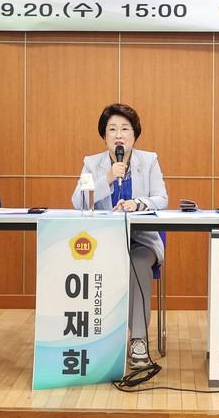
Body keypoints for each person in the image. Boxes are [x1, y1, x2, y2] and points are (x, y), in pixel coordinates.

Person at [71, 103, 168, 369]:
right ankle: (99, 339)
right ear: (104, 136)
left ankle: (138, 340)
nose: (118, 135)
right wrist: (107, 179)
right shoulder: (92, 164)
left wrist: (138, 203)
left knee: (137, 262)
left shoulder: (148, 160)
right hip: (103, 243)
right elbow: (78, 202)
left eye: (125, 129)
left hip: (141, 240)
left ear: (134, 135)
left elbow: (162, 198)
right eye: (112, 129)